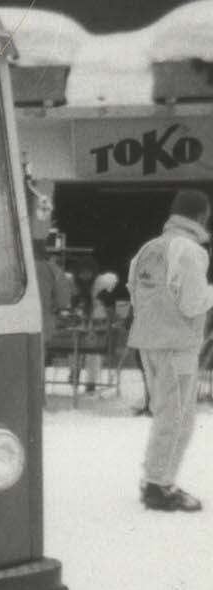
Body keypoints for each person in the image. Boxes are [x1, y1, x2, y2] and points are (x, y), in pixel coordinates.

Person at [126, 189, 213, 512]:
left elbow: (135, 293)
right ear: (202, 216)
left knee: (167, 415)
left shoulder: (149, 248)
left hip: (147, 341)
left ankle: (154, 478)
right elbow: (192, 303)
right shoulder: (190, 251)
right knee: (177, 419)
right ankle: (159, 486)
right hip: (177, 346)